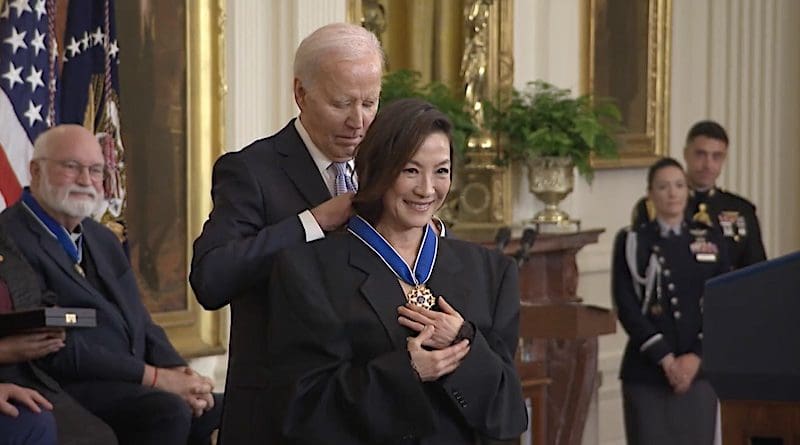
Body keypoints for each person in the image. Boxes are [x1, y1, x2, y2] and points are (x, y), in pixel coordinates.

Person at [261, 98, 528, 444]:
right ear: (378, 171)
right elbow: (301, 411)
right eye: (410, 170)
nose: (427, 189)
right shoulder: (309, 270)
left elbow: (509, 416)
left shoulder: (492, 272)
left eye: (442, 171)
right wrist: (408, 372)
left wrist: (465, 341)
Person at [189, 22, 384, 442]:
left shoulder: (382, 171)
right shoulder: (250, 171)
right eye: (341, 103)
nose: (359, 121)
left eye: (370, 102)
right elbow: (211, 278)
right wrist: (313, 222)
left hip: (364, 406)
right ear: (301, 93)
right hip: (279, 413)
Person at [0, 124, 221, 445]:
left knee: (220, 408)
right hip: (71, 382)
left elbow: (140, 319)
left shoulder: (102, 237)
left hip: (131, 378)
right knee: (167, 410)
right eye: (71, 167)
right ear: (35, 170)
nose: (86, 180)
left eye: (96, 170)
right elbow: (54, 343)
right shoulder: (10, 237)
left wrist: (181, 372)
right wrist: (157, 378)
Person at [613, 157, 730, 444]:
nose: (672, 193)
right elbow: (626, 305)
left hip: (698, 372)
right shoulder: (633, 241)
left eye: (679, 185)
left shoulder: (711, 239)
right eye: (663, 186)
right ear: (650, 193)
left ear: (687, 190)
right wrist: (666, 360)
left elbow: (723, 303)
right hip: (648, 373)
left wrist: (694, 357)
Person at [0, 225, 117, 444]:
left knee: (98, 437)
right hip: (13, 374)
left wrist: (47, 318)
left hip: (27, 373)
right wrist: (6, 351)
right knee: (36, 425)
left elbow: (28, 290)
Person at [631, 120, 766, 269]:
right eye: (700, 154)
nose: (708, 165)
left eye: (716, 156)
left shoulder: (742, 210)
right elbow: (640, 266)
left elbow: (756, 272)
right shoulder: (654, 206)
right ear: (686, 154)